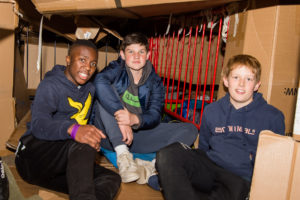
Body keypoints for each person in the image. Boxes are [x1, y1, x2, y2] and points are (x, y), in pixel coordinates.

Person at [156, 54, 285, 200]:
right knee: (168, 154)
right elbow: (203, 147)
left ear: (256, 85)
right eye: (236, 77)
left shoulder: (272, 117)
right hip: (210, 167)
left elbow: (275, 163)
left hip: (239, 179)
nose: (241, 84)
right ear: (226, 80)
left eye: (248, 79)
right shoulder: (212, 110)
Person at [15, 39, 121, 200]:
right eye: (82, 60)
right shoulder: (50, 85)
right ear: (68, 60)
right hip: (31, 159)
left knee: (111, 178)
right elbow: (38, 125)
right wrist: (73, 129)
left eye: (93, 63)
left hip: (57, 168)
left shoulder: (90, 88)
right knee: (82, 143)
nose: (88, 67)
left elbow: (87, 121)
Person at [91, 33, 198, 184]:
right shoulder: (116, 68)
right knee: (105, 92)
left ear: (148, 55)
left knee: (190, 130)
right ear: (122, 54)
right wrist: (121, 116)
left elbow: (155, 114)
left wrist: (134, 119)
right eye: (131, 51)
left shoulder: (155, 81)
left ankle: (153, 165)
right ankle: (123, 157)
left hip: (135, 137)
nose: (136, 56)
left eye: (141, 51)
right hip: (109, 136)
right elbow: (100, 81)